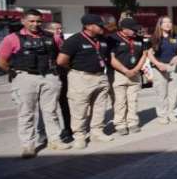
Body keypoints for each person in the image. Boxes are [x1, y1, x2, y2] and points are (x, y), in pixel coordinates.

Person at [0, 9, 70, 158]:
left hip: (49, 77)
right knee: (26, 113)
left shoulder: (53, 37)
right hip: (25, 77)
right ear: (23, 21)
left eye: (38, 21)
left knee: (51, 111)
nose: (35, 24)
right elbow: (1, 61)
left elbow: (61, 55)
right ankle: (28, 145)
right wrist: (14, 73)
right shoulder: (12, 38)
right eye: (31, 21)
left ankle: (54, 140)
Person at [56, 14, 114, 148]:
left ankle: (97, 132)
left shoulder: (102, 39)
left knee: (100, 107)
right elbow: (61, 61)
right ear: (88, 26)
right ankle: (80, 136)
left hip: (100, 76)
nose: (102, 28)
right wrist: (76, 69)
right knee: (79, 109)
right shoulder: (74, 40)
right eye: (99, 25)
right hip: (81, 78)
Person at [108, 18, 148, 135]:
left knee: (133, 100)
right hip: (118, 73)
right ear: (124, 29)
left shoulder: (138, 39)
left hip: (135, 73)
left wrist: (136, 69)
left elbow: (144, 55)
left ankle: (132, 123)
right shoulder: (112, 39)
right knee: (120, 101)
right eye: (132, 29)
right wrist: (125, 71)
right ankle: (120, 124)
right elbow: (111, 58)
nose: (135, 31)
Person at [148, 16, 177, 124]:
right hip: (159, 68)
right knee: (161, 93)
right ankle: (162, 115)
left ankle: (172, 114)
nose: (168, 24)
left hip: (174, 67)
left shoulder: (175, 36)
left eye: (170, 22)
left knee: (174, 93)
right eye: (165, 22)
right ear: (160, 25)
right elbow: (149, 54)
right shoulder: (154, 37)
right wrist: (158, 64)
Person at [47, 21, 73, 142]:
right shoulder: (48, 41)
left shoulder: (62, 41)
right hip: (50, 76)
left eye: (61, 29)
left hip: (63, 75)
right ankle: (52, 132)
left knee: (65, 104)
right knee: (50, 107)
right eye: (56, 29)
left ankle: (68, 129)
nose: (60, 31)